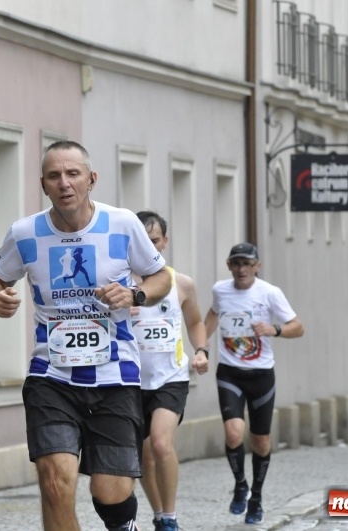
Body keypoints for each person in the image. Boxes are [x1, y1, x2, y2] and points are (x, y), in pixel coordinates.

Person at [0, 141, 172, 531]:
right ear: (43, 184)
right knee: (55, 480)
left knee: (110, 490)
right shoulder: (24, 233)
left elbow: (161, 277)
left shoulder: (122, 224)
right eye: (54, 176)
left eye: (73, 174)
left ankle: (124, 524)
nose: (64, 183)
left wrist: (135, 294)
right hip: (50, 373)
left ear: (91, 179)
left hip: (115, 373)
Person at [204, 243, 304, 525]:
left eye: (247, 263)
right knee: (234, 433)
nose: (242, 269)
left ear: (257, 266)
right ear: (229, 265)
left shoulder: (270, 293)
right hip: (230, 372)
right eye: (236, 263)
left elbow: (298, 326)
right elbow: (212, 314)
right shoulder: (220, 290)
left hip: (261, 375)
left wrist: (275, 329)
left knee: (260, 441)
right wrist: (202, 345)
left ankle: (256, 497)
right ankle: (240, 485)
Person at [133, 211, 209, 531]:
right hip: (130, 381)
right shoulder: (119, 283)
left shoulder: (182, 283)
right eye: (143, 241)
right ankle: (159, 514)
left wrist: (201, 351)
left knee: (161, 445)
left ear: (165, 241)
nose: (150, 247)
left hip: (170, 378)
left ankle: (170, 517)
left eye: (155, 241)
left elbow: (194, 322)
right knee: (144, 458)